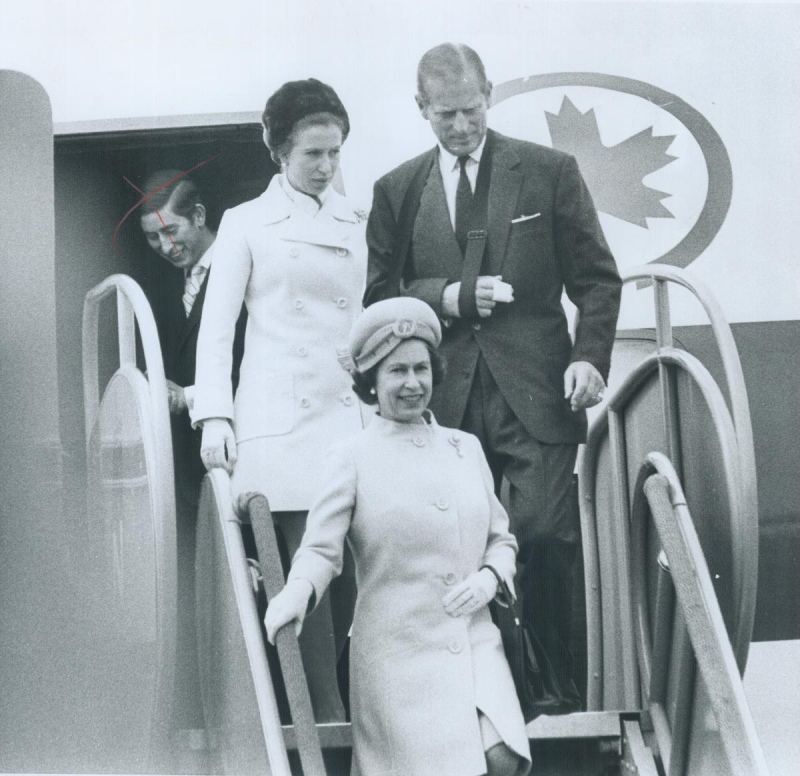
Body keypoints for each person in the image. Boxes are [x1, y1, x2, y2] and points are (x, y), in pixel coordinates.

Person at [364, 43, 622, 708]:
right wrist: (448, 297)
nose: (460, 126)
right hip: (442, 397)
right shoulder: (397, 189)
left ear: (491, 94)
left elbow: (596, 278)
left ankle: (557, 699)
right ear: (421, 110)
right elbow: (380, 295)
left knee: (543, 534)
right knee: (452, 550)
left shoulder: (548, 172)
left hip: (537, 392)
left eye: (471, 110)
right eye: (445, 115)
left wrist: (588, 355)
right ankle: (477, 697)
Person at [265, 297, 532, 776]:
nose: (413, 384)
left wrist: (492, 577)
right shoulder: (351, 456)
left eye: (421, 369)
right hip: (397, 657)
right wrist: (297, 592)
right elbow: (321, 550)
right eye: (397, 372)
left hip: (472, 637)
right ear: (371, 380)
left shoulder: (465, 448)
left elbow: (502, 539)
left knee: (503, 755)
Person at [190, 78, 367, 722]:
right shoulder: (245, 223)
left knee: (346, 580)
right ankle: (322, 717)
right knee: (302, 580)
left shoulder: (356, 220)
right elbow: (217, 330)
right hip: (281, 424)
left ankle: (349, 716)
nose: (325, 168)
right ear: (279, 154)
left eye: (334, 154)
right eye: (311, 155)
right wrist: (214, 412)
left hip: (345, 416)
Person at [139, 171, 247, 729]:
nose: (165, 247)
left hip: (237, 453)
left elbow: (259, 361)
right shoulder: (166, 286)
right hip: (186, 468)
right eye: (154, 239)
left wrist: (189, 397)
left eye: (172, 230)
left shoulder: (241, 262)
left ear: (201, 215)